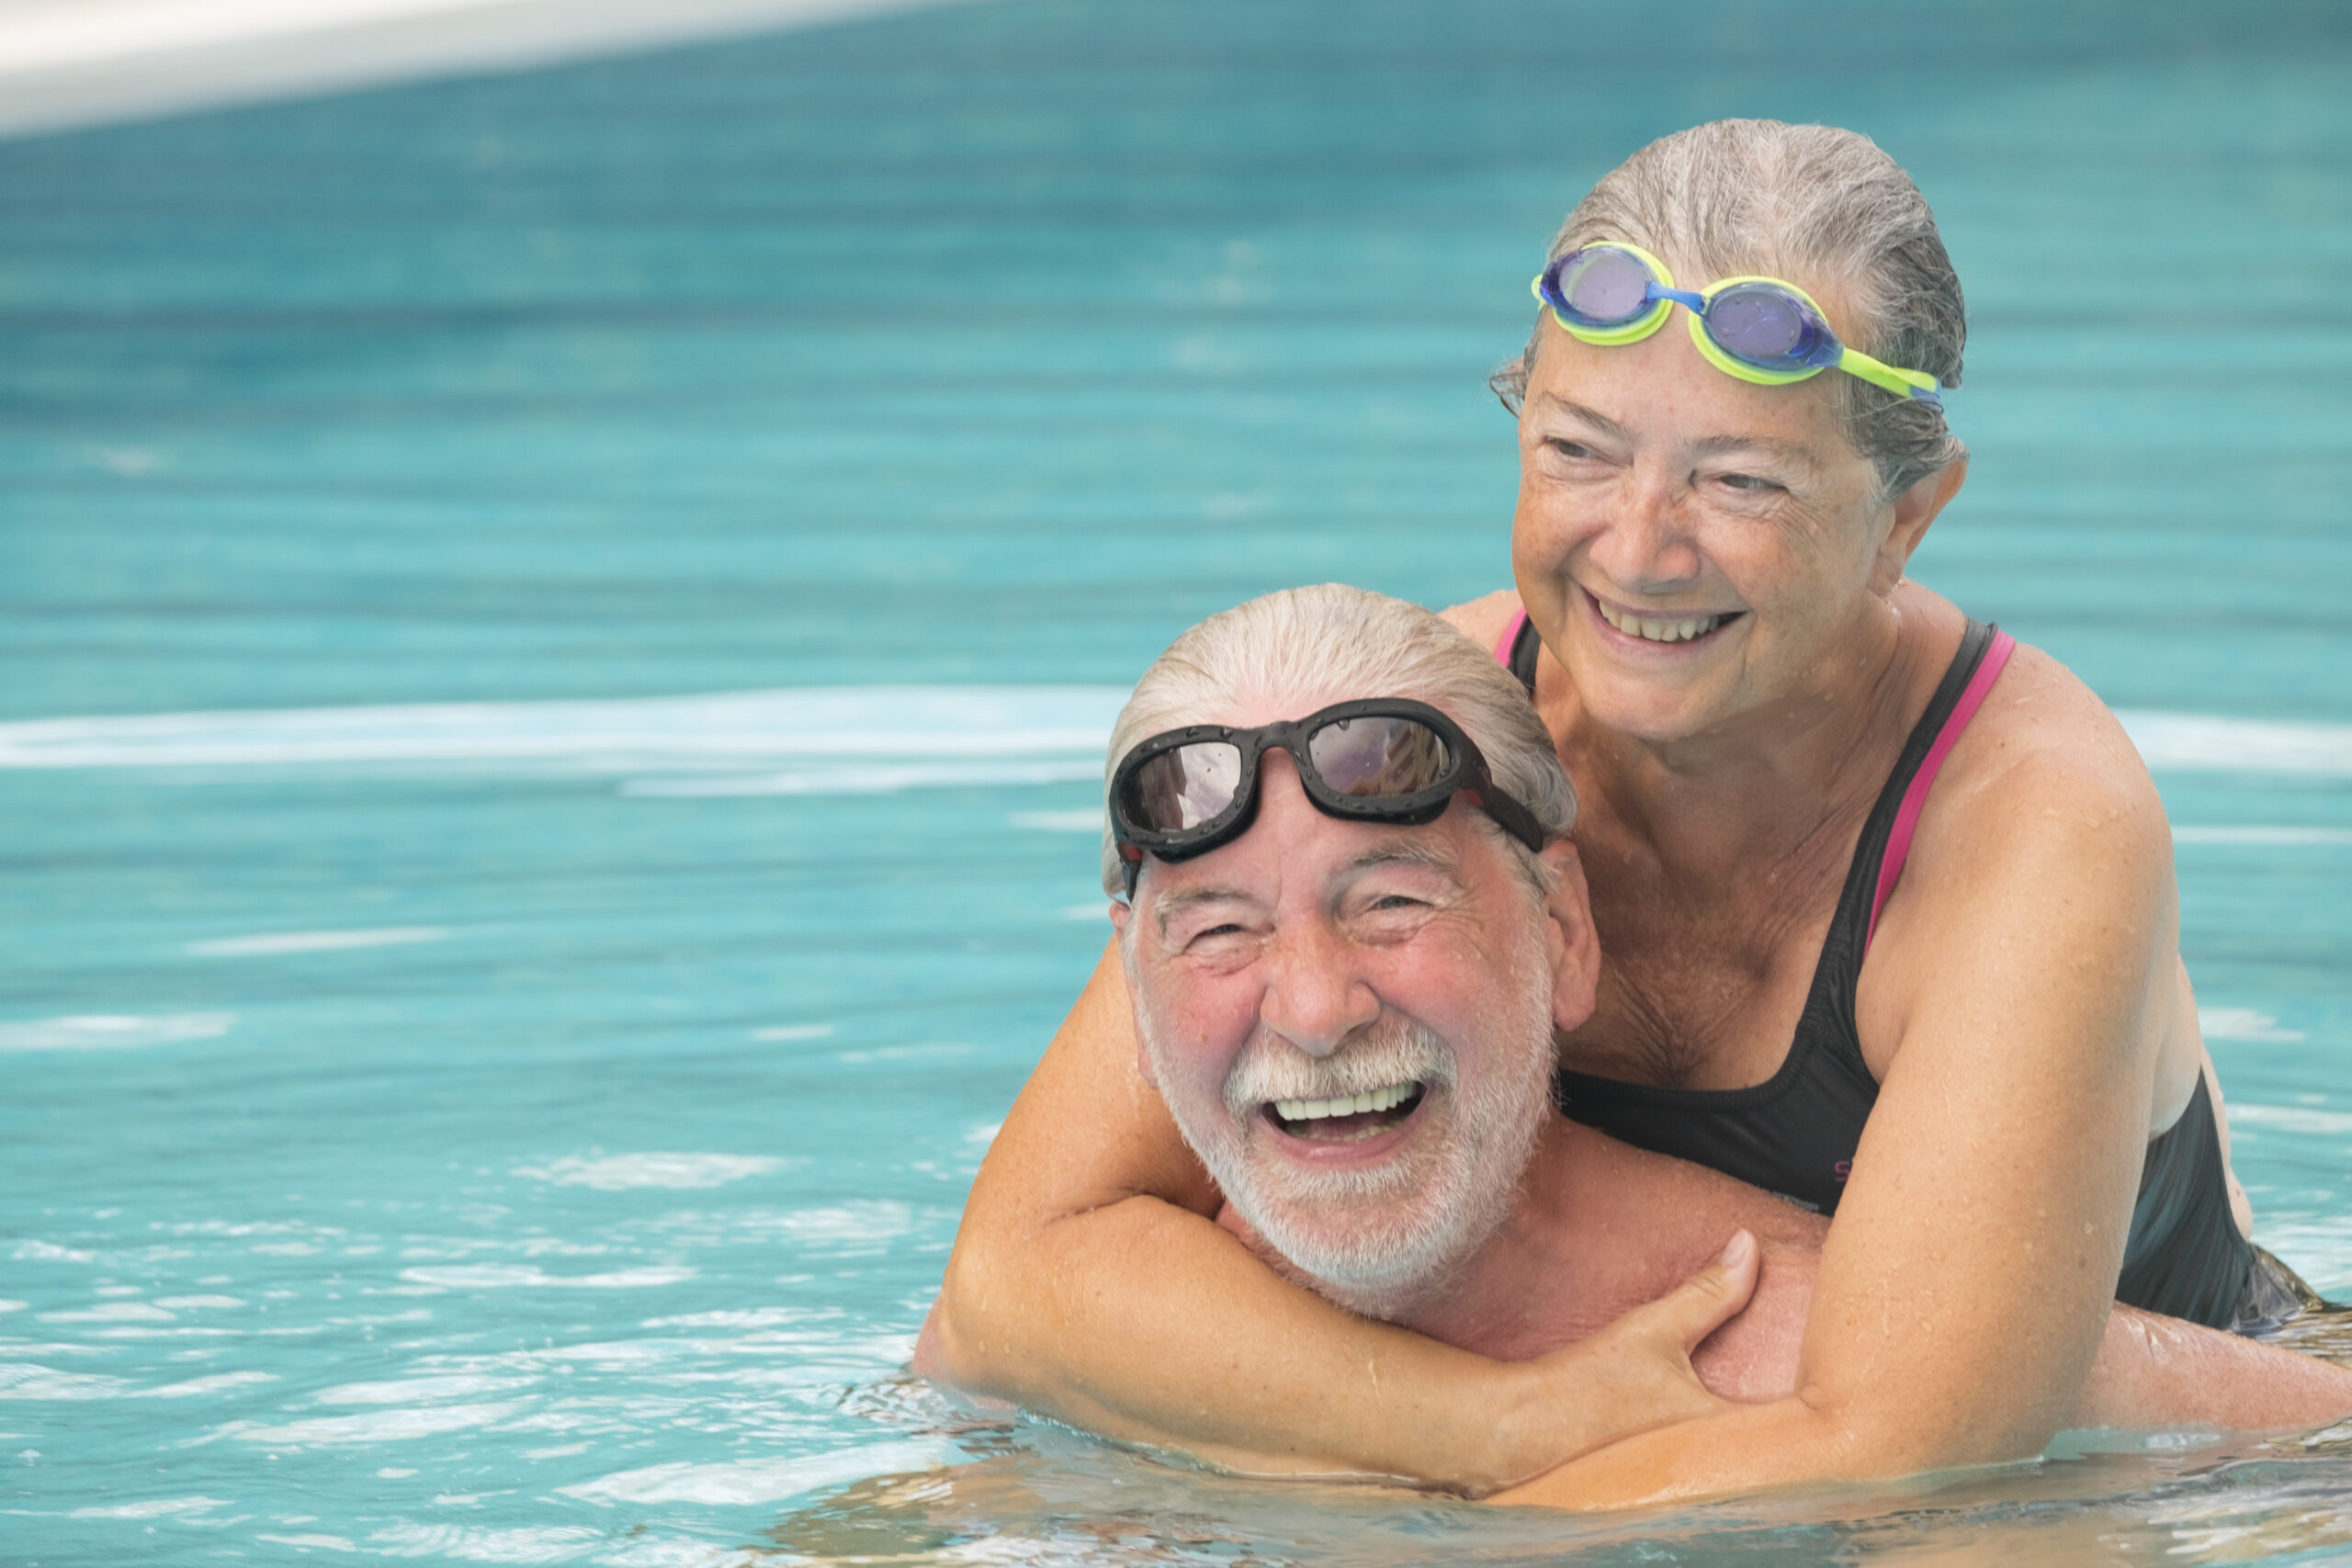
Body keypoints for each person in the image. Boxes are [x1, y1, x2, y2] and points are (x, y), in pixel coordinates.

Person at [929, 120, 2319, 1506]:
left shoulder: (2030, 824)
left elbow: (1908, 1449)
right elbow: (1012, 1278)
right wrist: (1489, 1425)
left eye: (1741, 480)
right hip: (1650, 1424)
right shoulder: (1412, 750)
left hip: (2188, 1467)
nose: (1641, 550)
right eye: (1581, 454)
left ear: (1908, 517)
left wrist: (1418, 1534)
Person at [931, 583, 2350, 1499]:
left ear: (1564, 931)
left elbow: (2302, 1431)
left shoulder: (1734, 1326)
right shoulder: (1078, 1318)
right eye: (1220, 933)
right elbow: (992, 1299)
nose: (1311, 1010)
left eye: (1393, 906)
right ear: (1132, 960)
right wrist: (1496, 1432)